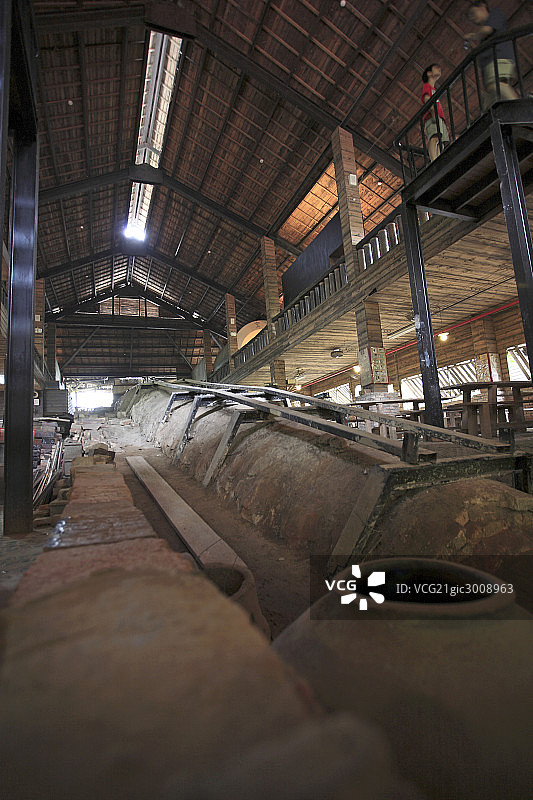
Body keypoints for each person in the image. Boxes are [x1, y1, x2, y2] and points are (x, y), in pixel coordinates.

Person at [464, 1, 518, 106]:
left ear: (482, 7)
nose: (472, 19)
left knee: (494, 85)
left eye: (473, 14)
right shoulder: (484, 40)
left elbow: (487, 30)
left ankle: (517, 106)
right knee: (489, 100)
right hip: (490, 65)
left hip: (499, 57)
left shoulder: (495, 14)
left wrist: (472, 36)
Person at [421, 64, 450, 161]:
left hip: (439, 117)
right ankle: (434, 160)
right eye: (436, 68)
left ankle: (438, 159)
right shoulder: (427, 86)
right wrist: (433, 111)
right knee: (434, 137)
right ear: (429, 73)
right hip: (432, 116)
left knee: (440, 141)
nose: (439, 69)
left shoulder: (434, 90)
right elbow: (426, 99)